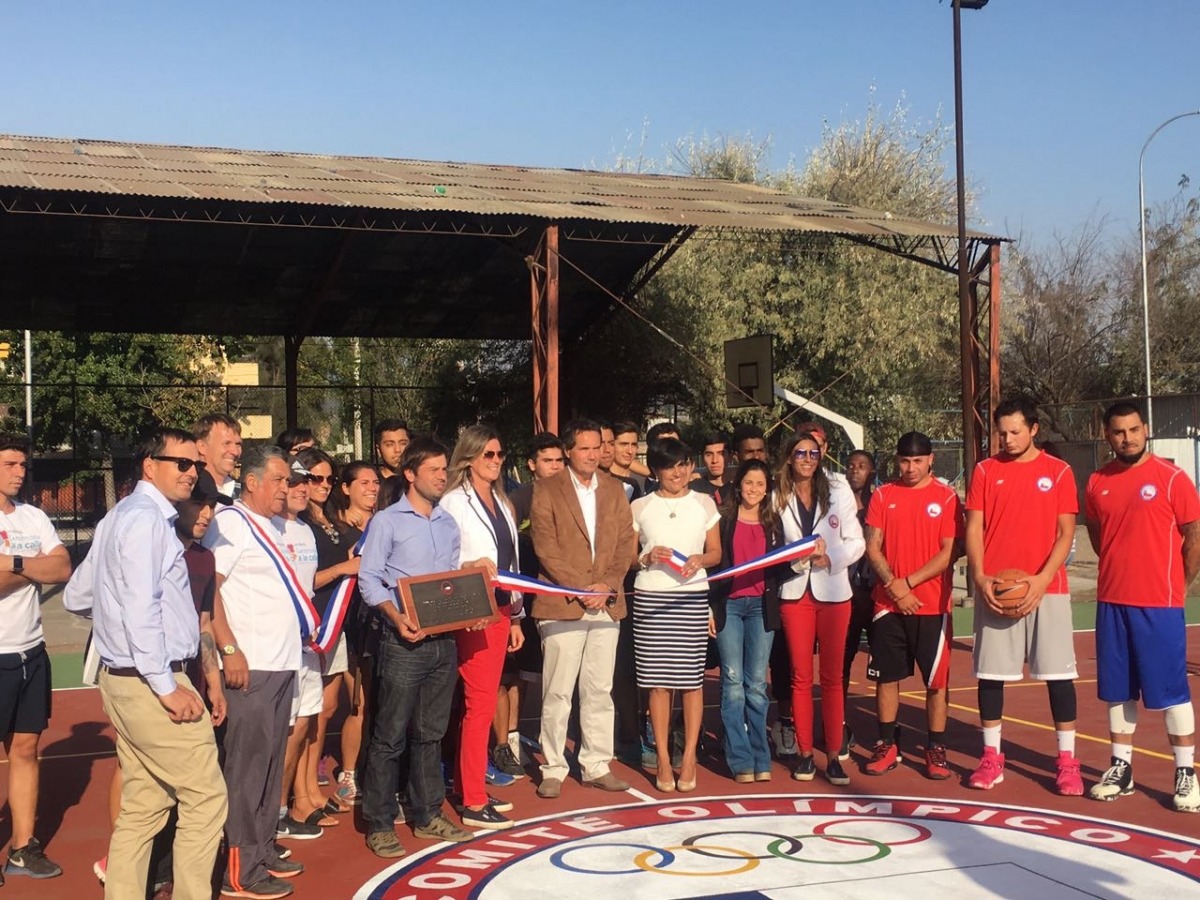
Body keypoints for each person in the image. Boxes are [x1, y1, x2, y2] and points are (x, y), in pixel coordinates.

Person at [66, 427, 227, 900]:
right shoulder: (146, 521)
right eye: (180, 463)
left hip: (130, 678)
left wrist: (114, 621)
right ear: (149, 466)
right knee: (206, 797)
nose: (190, 472)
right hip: (152, 680)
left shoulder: (122, 516)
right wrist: (165, 686)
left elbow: (78, 595)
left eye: (194, 463)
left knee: (146, 805)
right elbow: (141, 608)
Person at [358, 437, 476, 858]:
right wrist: (396, 617)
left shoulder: (447, 523)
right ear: (410, 474)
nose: (442, 477)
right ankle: (379, 821)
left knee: (430, 735)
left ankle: (427, 815)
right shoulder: (387, 522)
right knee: (389, 736)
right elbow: (369, 580)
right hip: (402, 642)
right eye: (434, 470)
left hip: (443, 642)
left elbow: (448, 581)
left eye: (445, 470)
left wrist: (470, 596)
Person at [204, 445, 308, 898]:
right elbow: (212, 590)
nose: (288, 488)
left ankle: (263, 850)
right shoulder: (232, 523)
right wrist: (230, 649)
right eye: (280, 480)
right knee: (245, 772)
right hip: (252, 665)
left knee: (269, 766)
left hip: (283, 662)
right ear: (252, 482)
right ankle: (239, 869)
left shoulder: (274, 525)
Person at [1085, 402, 1199, 812]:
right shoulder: (1097, 481)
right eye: (1119, 431)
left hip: (1159, 604)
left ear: (1145, 429)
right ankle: (1121, 767)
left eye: (1134, 429)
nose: (1127, 438)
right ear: (1107, 435)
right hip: (1112, 600)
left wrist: (1178, 586)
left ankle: (1186, 772)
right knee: (1117, 691)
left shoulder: (1172, 479)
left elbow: (1193, 537)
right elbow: (1098, 534)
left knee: (1171, 691)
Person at [965, 396, 1082, 795]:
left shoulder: (1060, 471)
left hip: (1047, 589)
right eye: (1001, 433)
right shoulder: (984, 471)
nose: (1008, 440)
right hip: (998, 586)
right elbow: (975, 529)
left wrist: (1042, 579)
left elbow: (1066, 533)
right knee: (991, 675)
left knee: (1058, 676)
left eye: (1015, 432)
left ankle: (1067, 762)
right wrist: (979, 578)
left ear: (1033, 429)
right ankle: (991, 758)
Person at [529, 419, 636, 800]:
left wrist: (605, 585)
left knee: (598, 689)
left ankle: (596, 764)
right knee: (557, 692)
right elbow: (545, 546)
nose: (593, 455)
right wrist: (581, 587)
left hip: (606, 604)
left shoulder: (615, 489)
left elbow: (626, 543)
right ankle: (554, 767)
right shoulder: (547, 489)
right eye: (585, 448)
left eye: (597, 448)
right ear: (570, 451)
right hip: (562, 604)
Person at [439, 425, 526, 831]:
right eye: (488, 455)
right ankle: (472, 800)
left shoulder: (505, 504)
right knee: (479, 706)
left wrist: (517, 617)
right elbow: (444, 559)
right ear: (470, 457)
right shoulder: (454, 502)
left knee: (481, 704)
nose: (495, 461)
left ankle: (468, 783)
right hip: (473, 610)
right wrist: (468, 567)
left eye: (499, 454)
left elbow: (513, 564)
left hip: (502, 611)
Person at [862, 433, 963, 780]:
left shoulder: (947, 498)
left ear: (931, 460)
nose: (911, 468)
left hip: (931, 604)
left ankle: (936, 747)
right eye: (905, 461)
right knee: (887, 678)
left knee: (936, 682)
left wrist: (910, 583)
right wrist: (894, 586)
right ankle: (887, 743)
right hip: (888, 604)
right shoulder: (883, 495)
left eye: (918, 461)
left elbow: (949, 551)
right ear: (897, 460)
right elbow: (872, 545)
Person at [631, 438, 722, 793]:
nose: (679, 473)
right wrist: (647, 557)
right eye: (670, 467)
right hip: (652, 600)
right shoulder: (639, 507)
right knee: (658, 684)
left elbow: (716, 552)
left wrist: (701, 559)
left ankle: (688, 760)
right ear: (656, 471)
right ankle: (664, 760)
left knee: (691, 682)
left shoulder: (703, 503)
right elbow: (627, 557)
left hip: (692, 599)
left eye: (684, 464)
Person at [0, 434, 71, 882]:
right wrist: (33, 567)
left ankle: (23, 848)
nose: (19, 472)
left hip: (31, 651)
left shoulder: (34, 516)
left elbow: (62, 568)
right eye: (9, 464)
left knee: (26, 749)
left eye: (23, 465)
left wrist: (13, 563)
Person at [776, 430, 864, 785]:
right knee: (799, 676)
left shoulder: (839, 489)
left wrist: (832, 558)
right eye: (800, 453)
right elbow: (774, 545)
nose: (808, 459)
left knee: (832, 678)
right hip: (795, 593)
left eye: (813, 453)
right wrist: (797, 562)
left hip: (833, 592)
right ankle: (804, 755)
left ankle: (834, 755)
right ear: (789, 457)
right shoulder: (775, 494)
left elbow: (856, 541)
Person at [300, 452, 377, 810]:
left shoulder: (330, 519)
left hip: (339, 624)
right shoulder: (300, 524)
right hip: (313, 625)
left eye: (327, 479)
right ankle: (302, 790)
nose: (322, 485)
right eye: (314, 478)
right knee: (310, 712)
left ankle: (310, 790)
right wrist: (345, 568)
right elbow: (304, 581)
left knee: (327, 706)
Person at [708, 459, 783, 783]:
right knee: (733, 683)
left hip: (760, 609)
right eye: (749, 483)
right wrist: (711, 606)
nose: (754, 490)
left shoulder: (773, 523)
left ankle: (760, 756)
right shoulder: (723, 519)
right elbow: (712, 568)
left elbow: (781, 567)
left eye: (760, 485)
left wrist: (807, 559)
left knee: (755, 684)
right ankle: (740, 759)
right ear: (739, 486)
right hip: (730, 607)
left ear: (767, 491)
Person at [275, 459, 329, 841]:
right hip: (278, 647)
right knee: (285, 730)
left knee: (305, 724)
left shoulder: (307, 531)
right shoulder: (268, 529)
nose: (300, 488)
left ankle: (285, 808)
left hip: (309, 646)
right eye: (292, 481)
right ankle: (271, 816)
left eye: (305, 481)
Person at [505, 433, 565, 767]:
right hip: (525, 597)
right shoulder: (519, 499)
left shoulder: (573, 497)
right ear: (532, 465)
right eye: (547, 461)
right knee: (519, 674)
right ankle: (510, 738)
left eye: (559, 460)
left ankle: (550, 737)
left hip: (562, 598)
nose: (555, 467)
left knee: (553, 674)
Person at [841, 449, 877, 757]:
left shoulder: (880, 503)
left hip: (875, 594)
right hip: (847, 594)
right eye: (851, 466)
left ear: (872, 472)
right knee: (842, 661)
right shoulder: (837, 503)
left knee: (882, 668)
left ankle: (885, 733)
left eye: (862, 466)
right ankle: (837, 724)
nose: (855, 471)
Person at [194, 413, 243, 500]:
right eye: (226, 443)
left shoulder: (243, 495)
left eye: (238, 444)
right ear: (202, 446)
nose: (235, 452)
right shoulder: (188, 493)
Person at [692, 432, 730, 505]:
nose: (714, 460)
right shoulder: (693, 490)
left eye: (721, 454)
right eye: (709, 455)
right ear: (703, 458)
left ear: (730, 456)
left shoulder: (740, 489)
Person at [609, 423, 647, 495]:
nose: (630, 451)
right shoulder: (599, 481)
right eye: (624, 444)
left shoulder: (644, 482)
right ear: (611, 445)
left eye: (633, 445)